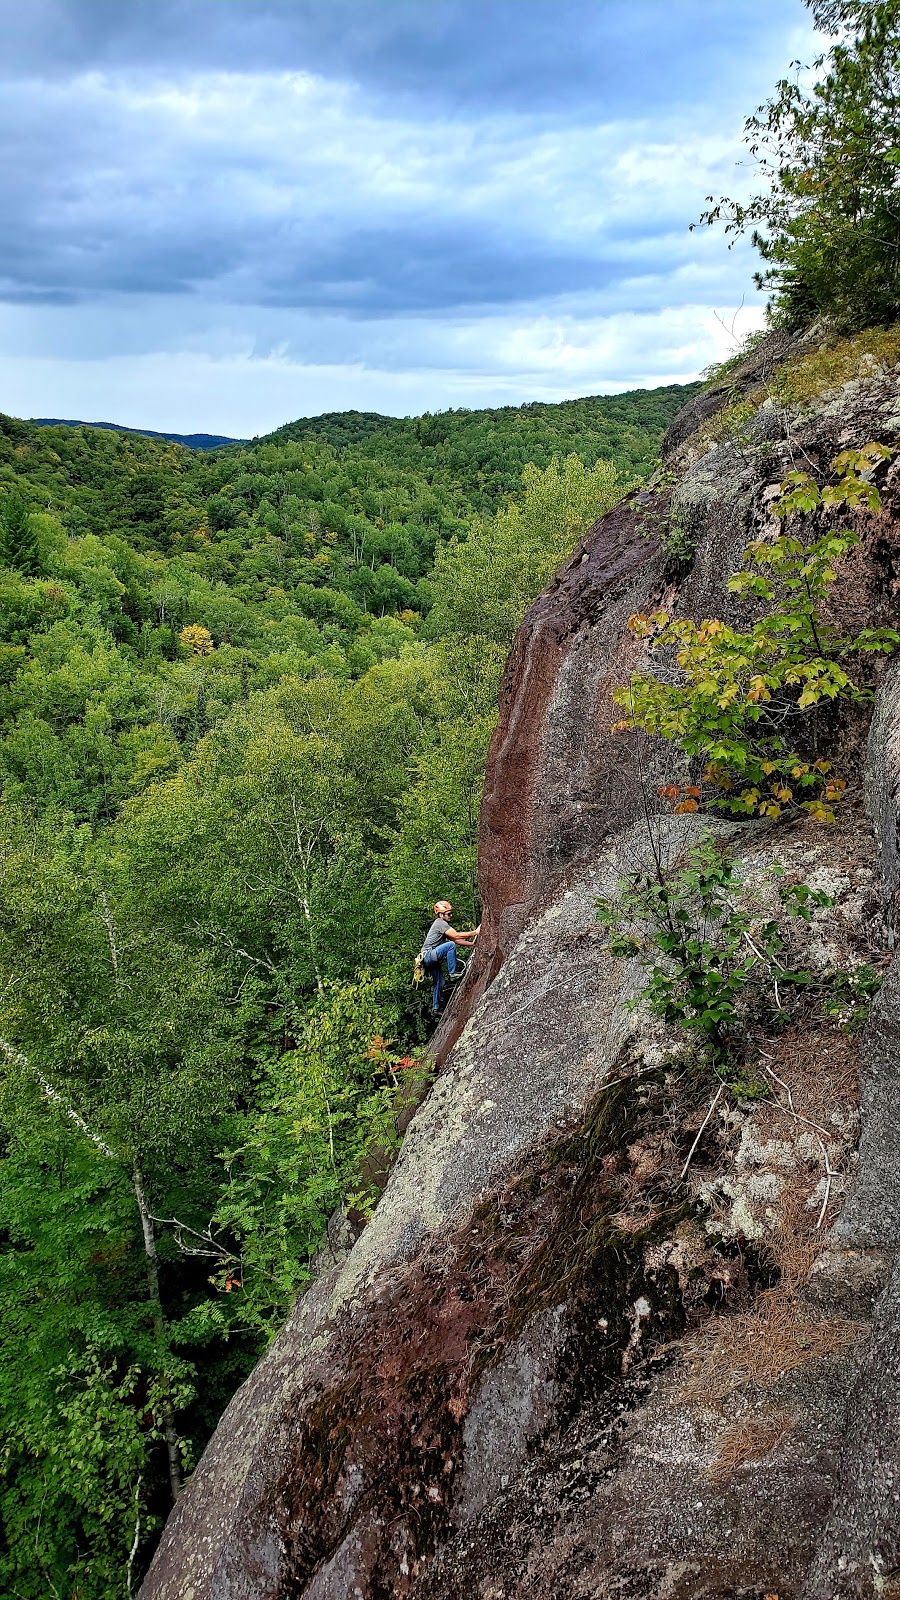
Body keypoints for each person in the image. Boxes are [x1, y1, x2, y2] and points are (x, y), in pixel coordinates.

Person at [421, 900, 480, 1015]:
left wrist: (473, 945)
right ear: (441, 915)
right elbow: (456, 936)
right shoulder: (440, 923)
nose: (451, 916)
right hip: (429, 955)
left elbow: (456, 940)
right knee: (450, 946)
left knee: (440, 983)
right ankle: (452, 973)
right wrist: (475, 932)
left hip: (429, 959)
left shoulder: (442, 925)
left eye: (451, 913)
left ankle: (435, 1008)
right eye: (448, 914)